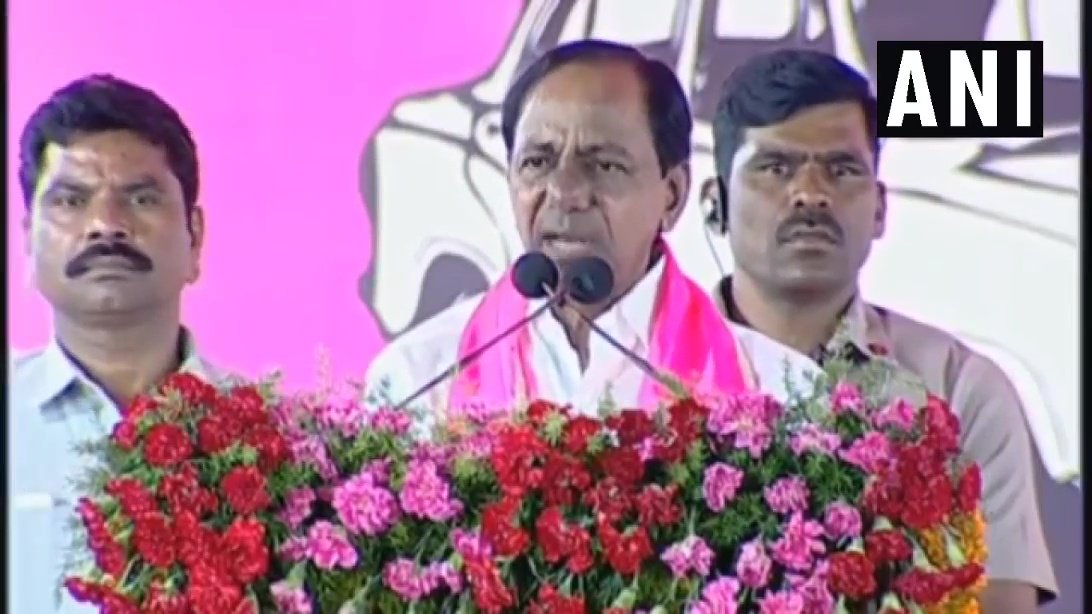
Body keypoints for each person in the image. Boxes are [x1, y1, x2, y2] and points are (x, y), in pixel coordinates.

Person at [704, 48, 1056, 611]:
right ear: (714, 203)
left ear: (880, 209)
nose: (811, 192)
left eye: (842, 169)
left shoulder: (960, 391)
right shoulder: (645, 376)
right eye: (776, 167)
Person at [365, 40, 818, 426]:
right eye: (537, 162)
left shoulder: (781, 397)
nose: (565, 193)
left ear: (673, 195)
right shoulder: (417, 384)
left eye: (605, 166)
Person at [9, 74, 217, 613]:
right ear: (28, 241)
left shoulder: (286, 439)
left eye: (141, 198)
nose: (106, 224)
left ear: (194, 237)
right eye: (72, 201)